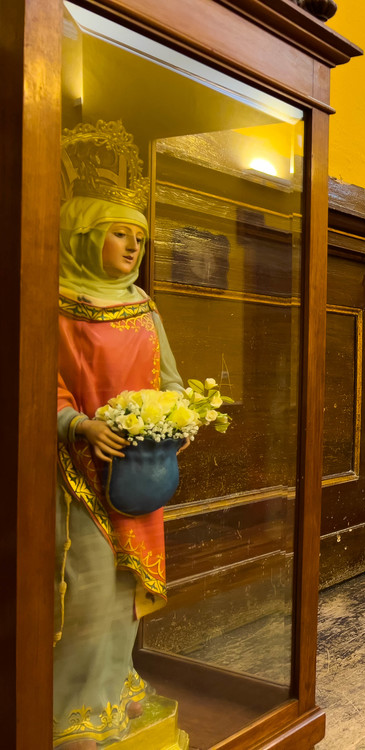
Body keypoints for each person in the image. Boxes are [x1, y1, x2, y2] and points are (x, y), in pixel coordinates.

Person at [54, 122, 184, 749]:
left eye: (139, 238)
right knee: (87, 587)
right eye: (119, 234)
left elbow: (173, 382)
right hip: (75, 473)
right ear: (83, 235)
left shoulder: (144, 305)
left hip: (138, 470)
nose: (134, 247)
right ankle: (76, 709)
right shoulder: (54, 304)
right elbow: (39, 385)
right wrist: (79, 424)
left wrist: (178, 421)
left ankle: (115, 684)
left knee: (127, 586)